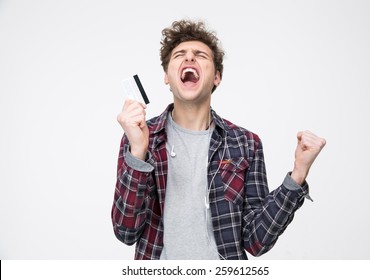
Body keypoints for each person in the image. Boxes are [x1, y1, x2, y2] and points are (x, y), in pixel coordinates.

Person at [111, 19, 326, 260]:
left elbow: (257, 241)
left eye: (200, 55)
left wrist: (298, 174)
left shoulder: (245, 143)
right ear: (166, 77)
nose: (189, 58)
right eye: (179, 54)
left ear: (217, 77)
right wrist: (139, 151)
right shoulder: (139, 137)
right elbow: (125, 231)